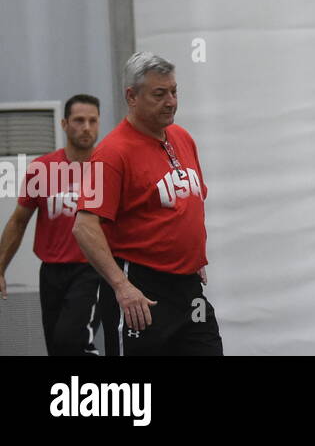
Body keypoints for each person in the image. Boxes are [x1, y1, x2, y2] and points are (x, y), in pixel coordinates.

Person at [73, 51, 222, 355]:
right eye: (159, 94)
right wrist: (121, 286)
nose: (171, 101)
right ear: (132, 96)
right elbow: (84, 227)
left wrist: (193, 254)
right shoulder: (113, 153)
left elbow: (190, 201)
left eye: (174, 91)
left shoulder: (182, 138)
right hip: (143, 292)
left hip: (189, 290)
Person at [0, 94, 103, 355]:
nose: (87, 127)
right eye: (79, 120)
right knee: (58, 346)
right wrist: (0, 268)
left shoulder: (109, 167)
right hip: (52, 272)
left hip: (92, 270)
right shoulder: (43, 168)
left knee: (73, 340)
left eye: (93, 120)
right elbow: (19, 221)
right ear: (64, 124)